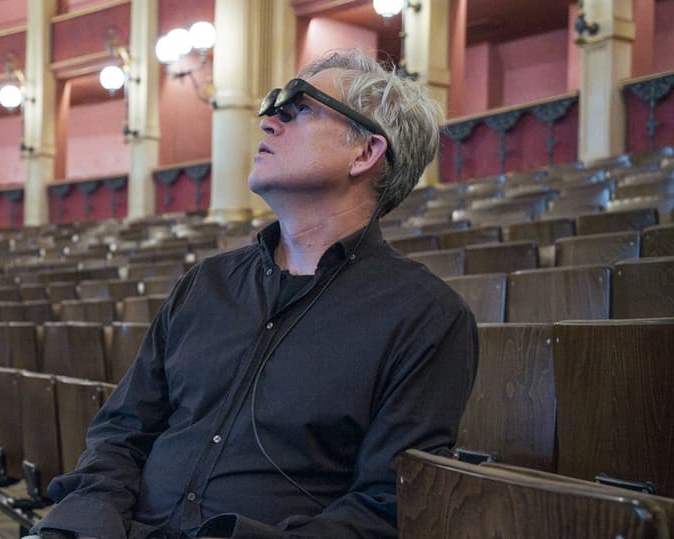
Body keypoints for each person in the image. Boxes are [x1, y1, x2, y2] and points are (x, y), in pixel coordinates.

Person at [31, 49, 478, 539]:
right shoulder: (206, 284)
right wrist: (85, 522)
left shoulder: (425, 315)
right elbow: (120, 434)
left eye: (298, 108)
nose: (268, 122)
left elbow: (384, 506)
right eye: (272, 107)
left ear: (365, 152)